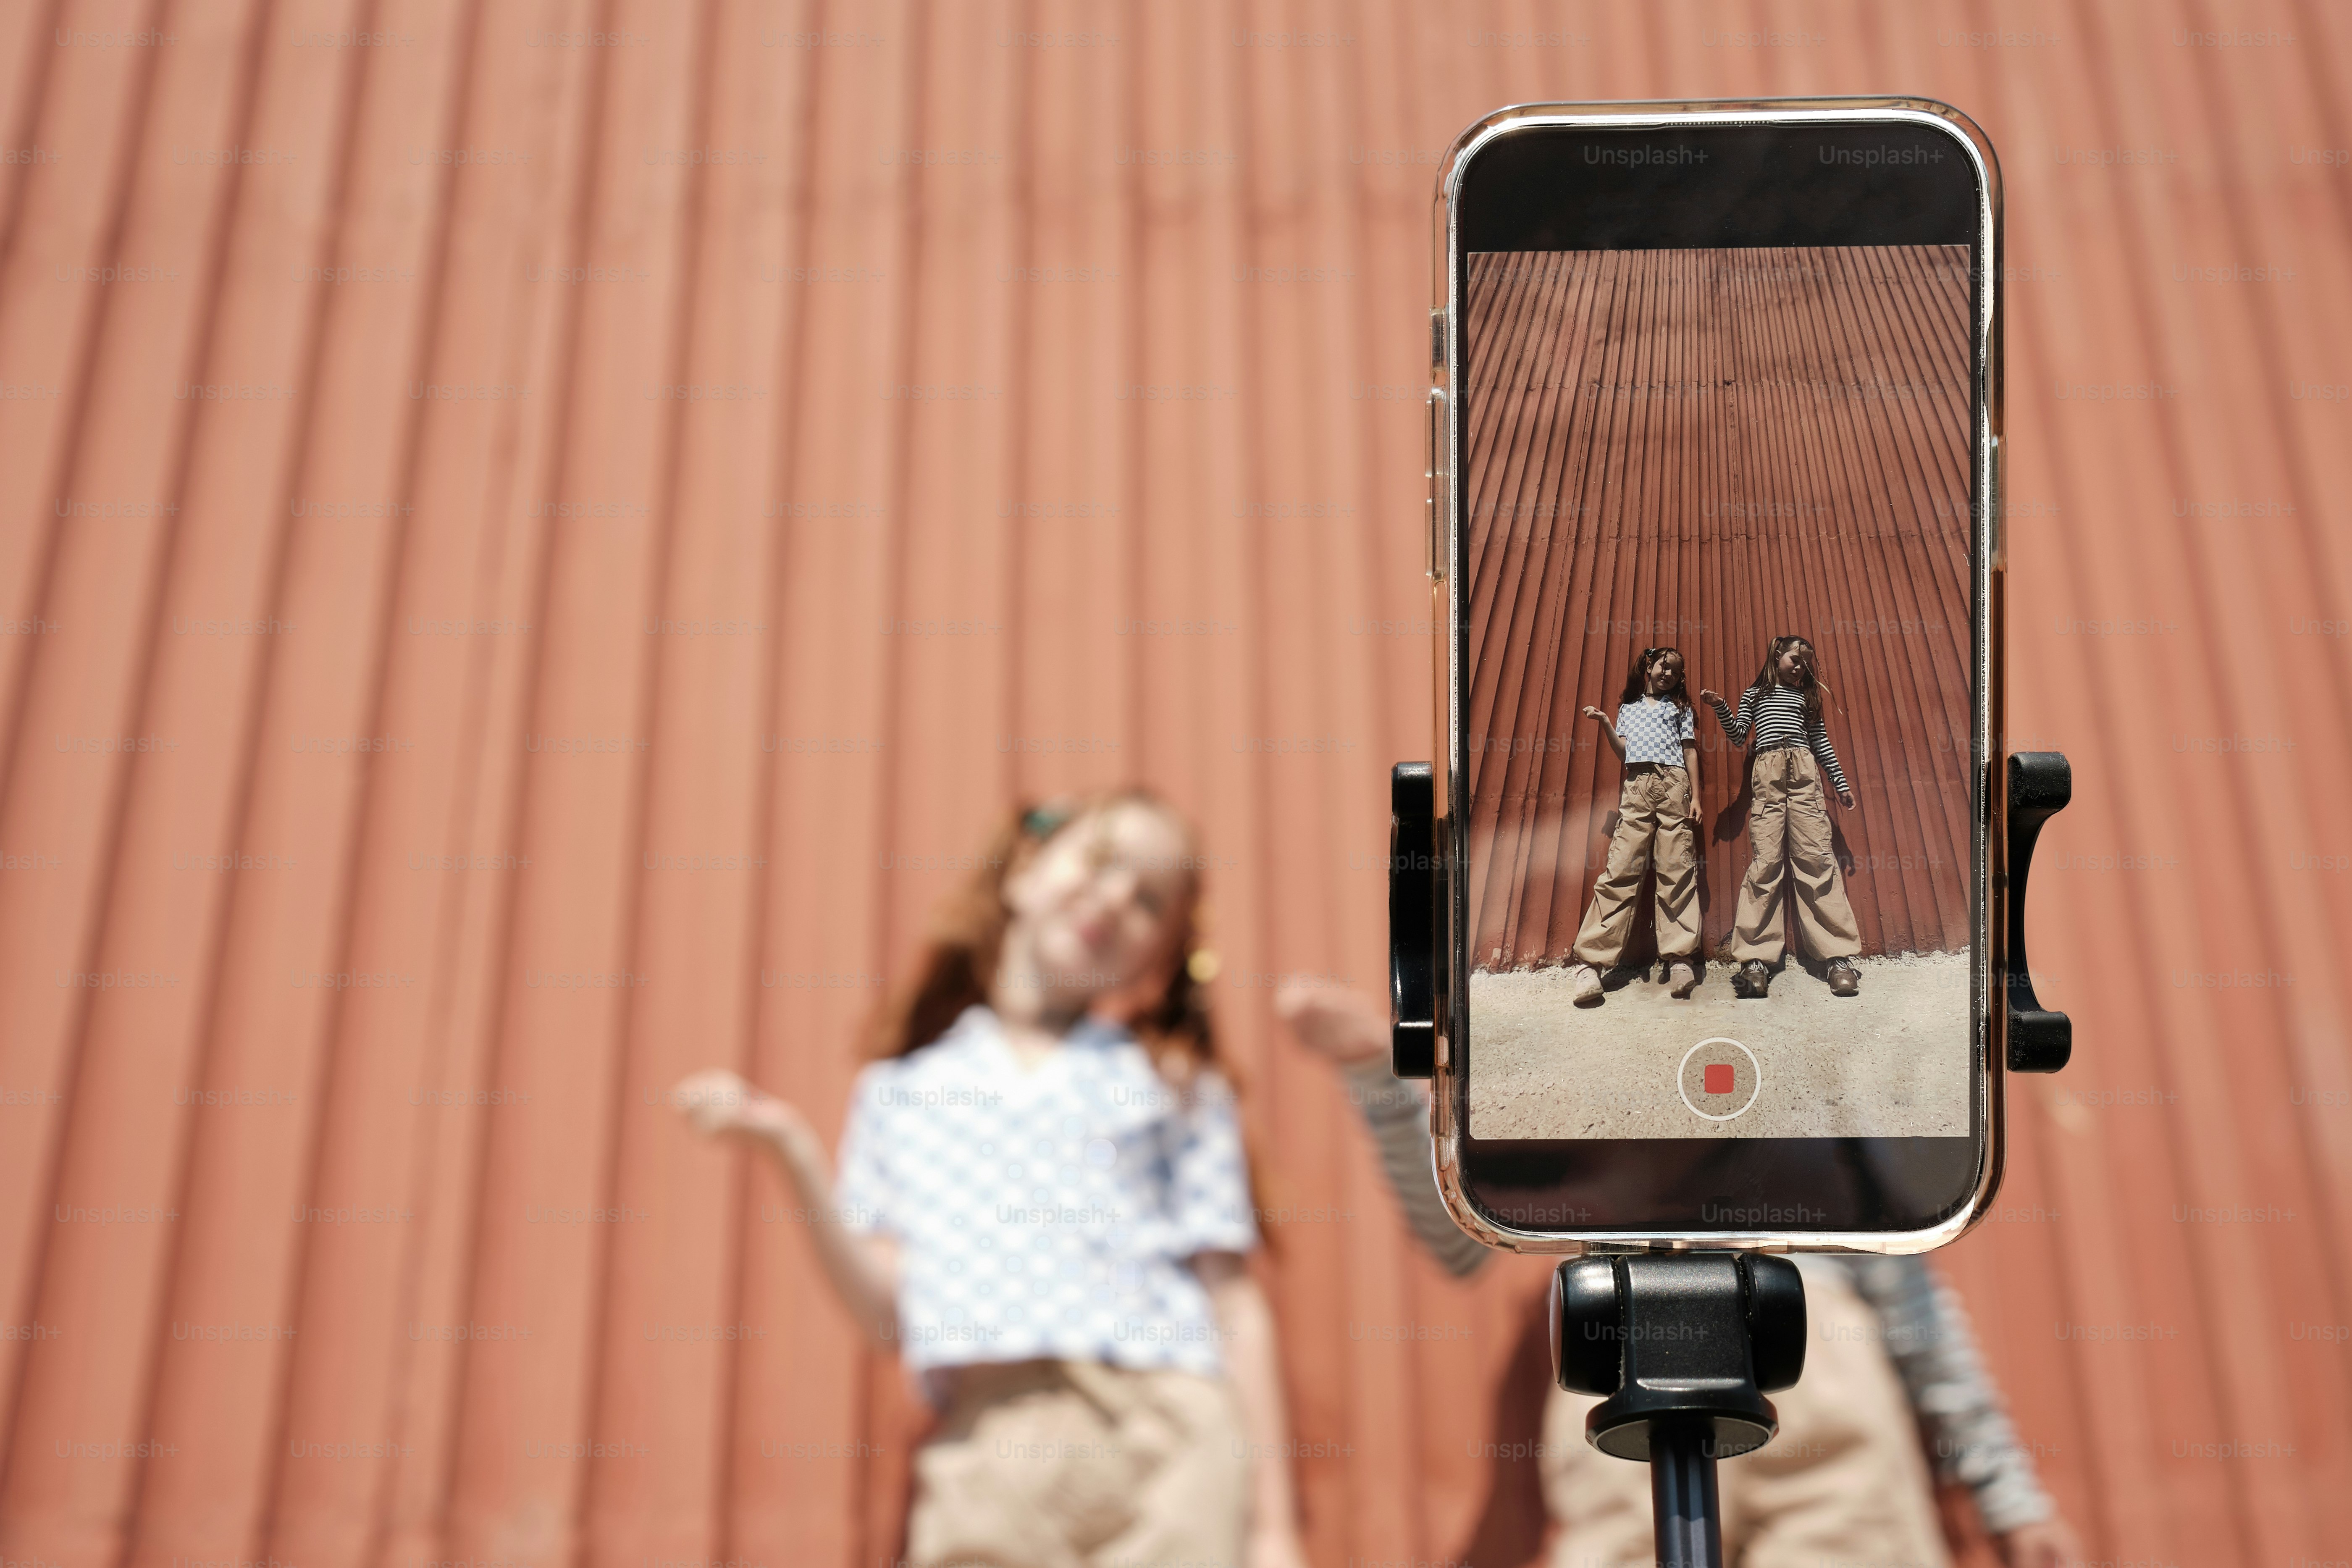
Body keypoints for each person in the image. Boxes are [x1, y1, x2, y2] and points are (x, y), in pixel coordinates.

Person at [675, 790, 1308, 1568]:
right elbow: (888, 1314)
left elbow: (1235, 1307)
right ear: (1022, 873)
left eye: (1147, 899)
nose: (1114, 897)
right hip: (992, 1441)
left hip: (1173, 1438)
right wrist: (792, 1154)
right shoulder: (903, 1093)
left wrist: (1273, 1532)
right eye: (1101, 861)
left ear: (1159, 956)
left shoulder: (1174, 1084)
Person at [1275, 981, 2082, 1568]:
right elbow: (1464, 1232)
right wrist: (1381, 1076)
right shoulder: (1583, 1040)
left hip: (1816, 1357)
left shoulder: (1812, 1035)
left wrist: (2005, 1489)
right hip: (1629, 1372)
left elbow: (1908, 1289)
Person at [1701, 634, 1865, 1000]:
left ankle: (1837, 957)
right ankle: (1756, 961)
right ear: (1777, 654)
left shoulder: (1806, 698)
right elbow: (1739, 735)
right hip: (1768, 773)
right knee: (1767, 863)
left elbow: (1821, 742)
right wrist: (1721, 707)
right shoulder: (1755, 695)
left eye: (1807, 664)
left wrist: (1840, 784)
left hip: (1805, 774)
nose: (1801, 667)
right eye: (1796, 658)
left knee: (1817, 859)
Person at [1564, 645, 1705, 1006]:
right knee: (1621, 870)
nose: (1667, 673)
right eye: (1663, 666)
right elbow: (1624, 753)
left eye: (1675, 670)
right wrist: (1608, 723)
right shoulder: (1628, 709)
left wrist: (1696, 798)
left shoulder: (1681, 709)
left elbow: (1689, 751)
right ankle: (1591, 964)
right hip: (1638, 786)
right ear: (1648, 667)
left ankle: (1680, 959)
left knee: (1677, 870)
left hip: (1675, 787)